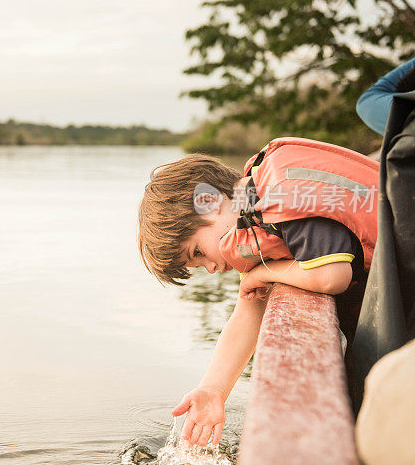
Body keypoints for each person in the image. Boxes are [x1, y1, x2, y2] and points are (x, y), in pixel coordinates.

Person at [137, 137, 379, 448]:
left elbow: (332, 276)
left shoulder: (277, 199)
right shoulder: (254, 220)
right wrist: (213, 390)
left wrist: (266, 272)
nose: (210, 268)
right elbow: (249, 309)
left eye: (197, 252)